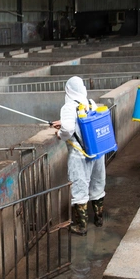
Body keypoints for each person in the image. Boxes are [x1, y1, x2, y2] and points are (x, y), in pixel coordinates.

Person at [52, 76, 106, 235]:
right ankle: (98, 218)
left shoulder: (68, 107)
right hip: (96, 151)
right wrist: (64, 122)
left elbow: (68, 129)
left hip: (79, 154)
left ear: (68, 90)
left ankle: (81, 226)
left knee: (79, 187)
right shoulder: (90, 103)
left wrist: (60, 134)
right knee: (97, 183)